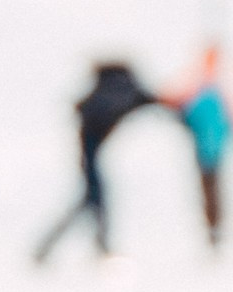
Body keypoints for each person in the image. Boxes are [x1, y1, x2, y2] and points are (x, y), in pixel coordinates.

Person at [31, 56, 159, 264]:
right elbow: (154, 101)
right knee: (93, 200)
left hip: (89, 154)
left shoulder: (108, 90)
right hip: (91, 155)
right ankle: (88, 248)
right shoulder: (123, 91)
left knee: (92, 201)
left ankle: (59, 248)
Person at [161, 38, 233, 249]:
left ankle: (216, 227)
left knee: (214, 185)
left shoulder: (221, 85)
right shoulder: (197, 83)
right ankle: (212, 226)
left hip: (217, 145)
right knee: (209, 185)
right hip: (203, 144)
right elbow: (174, 100)